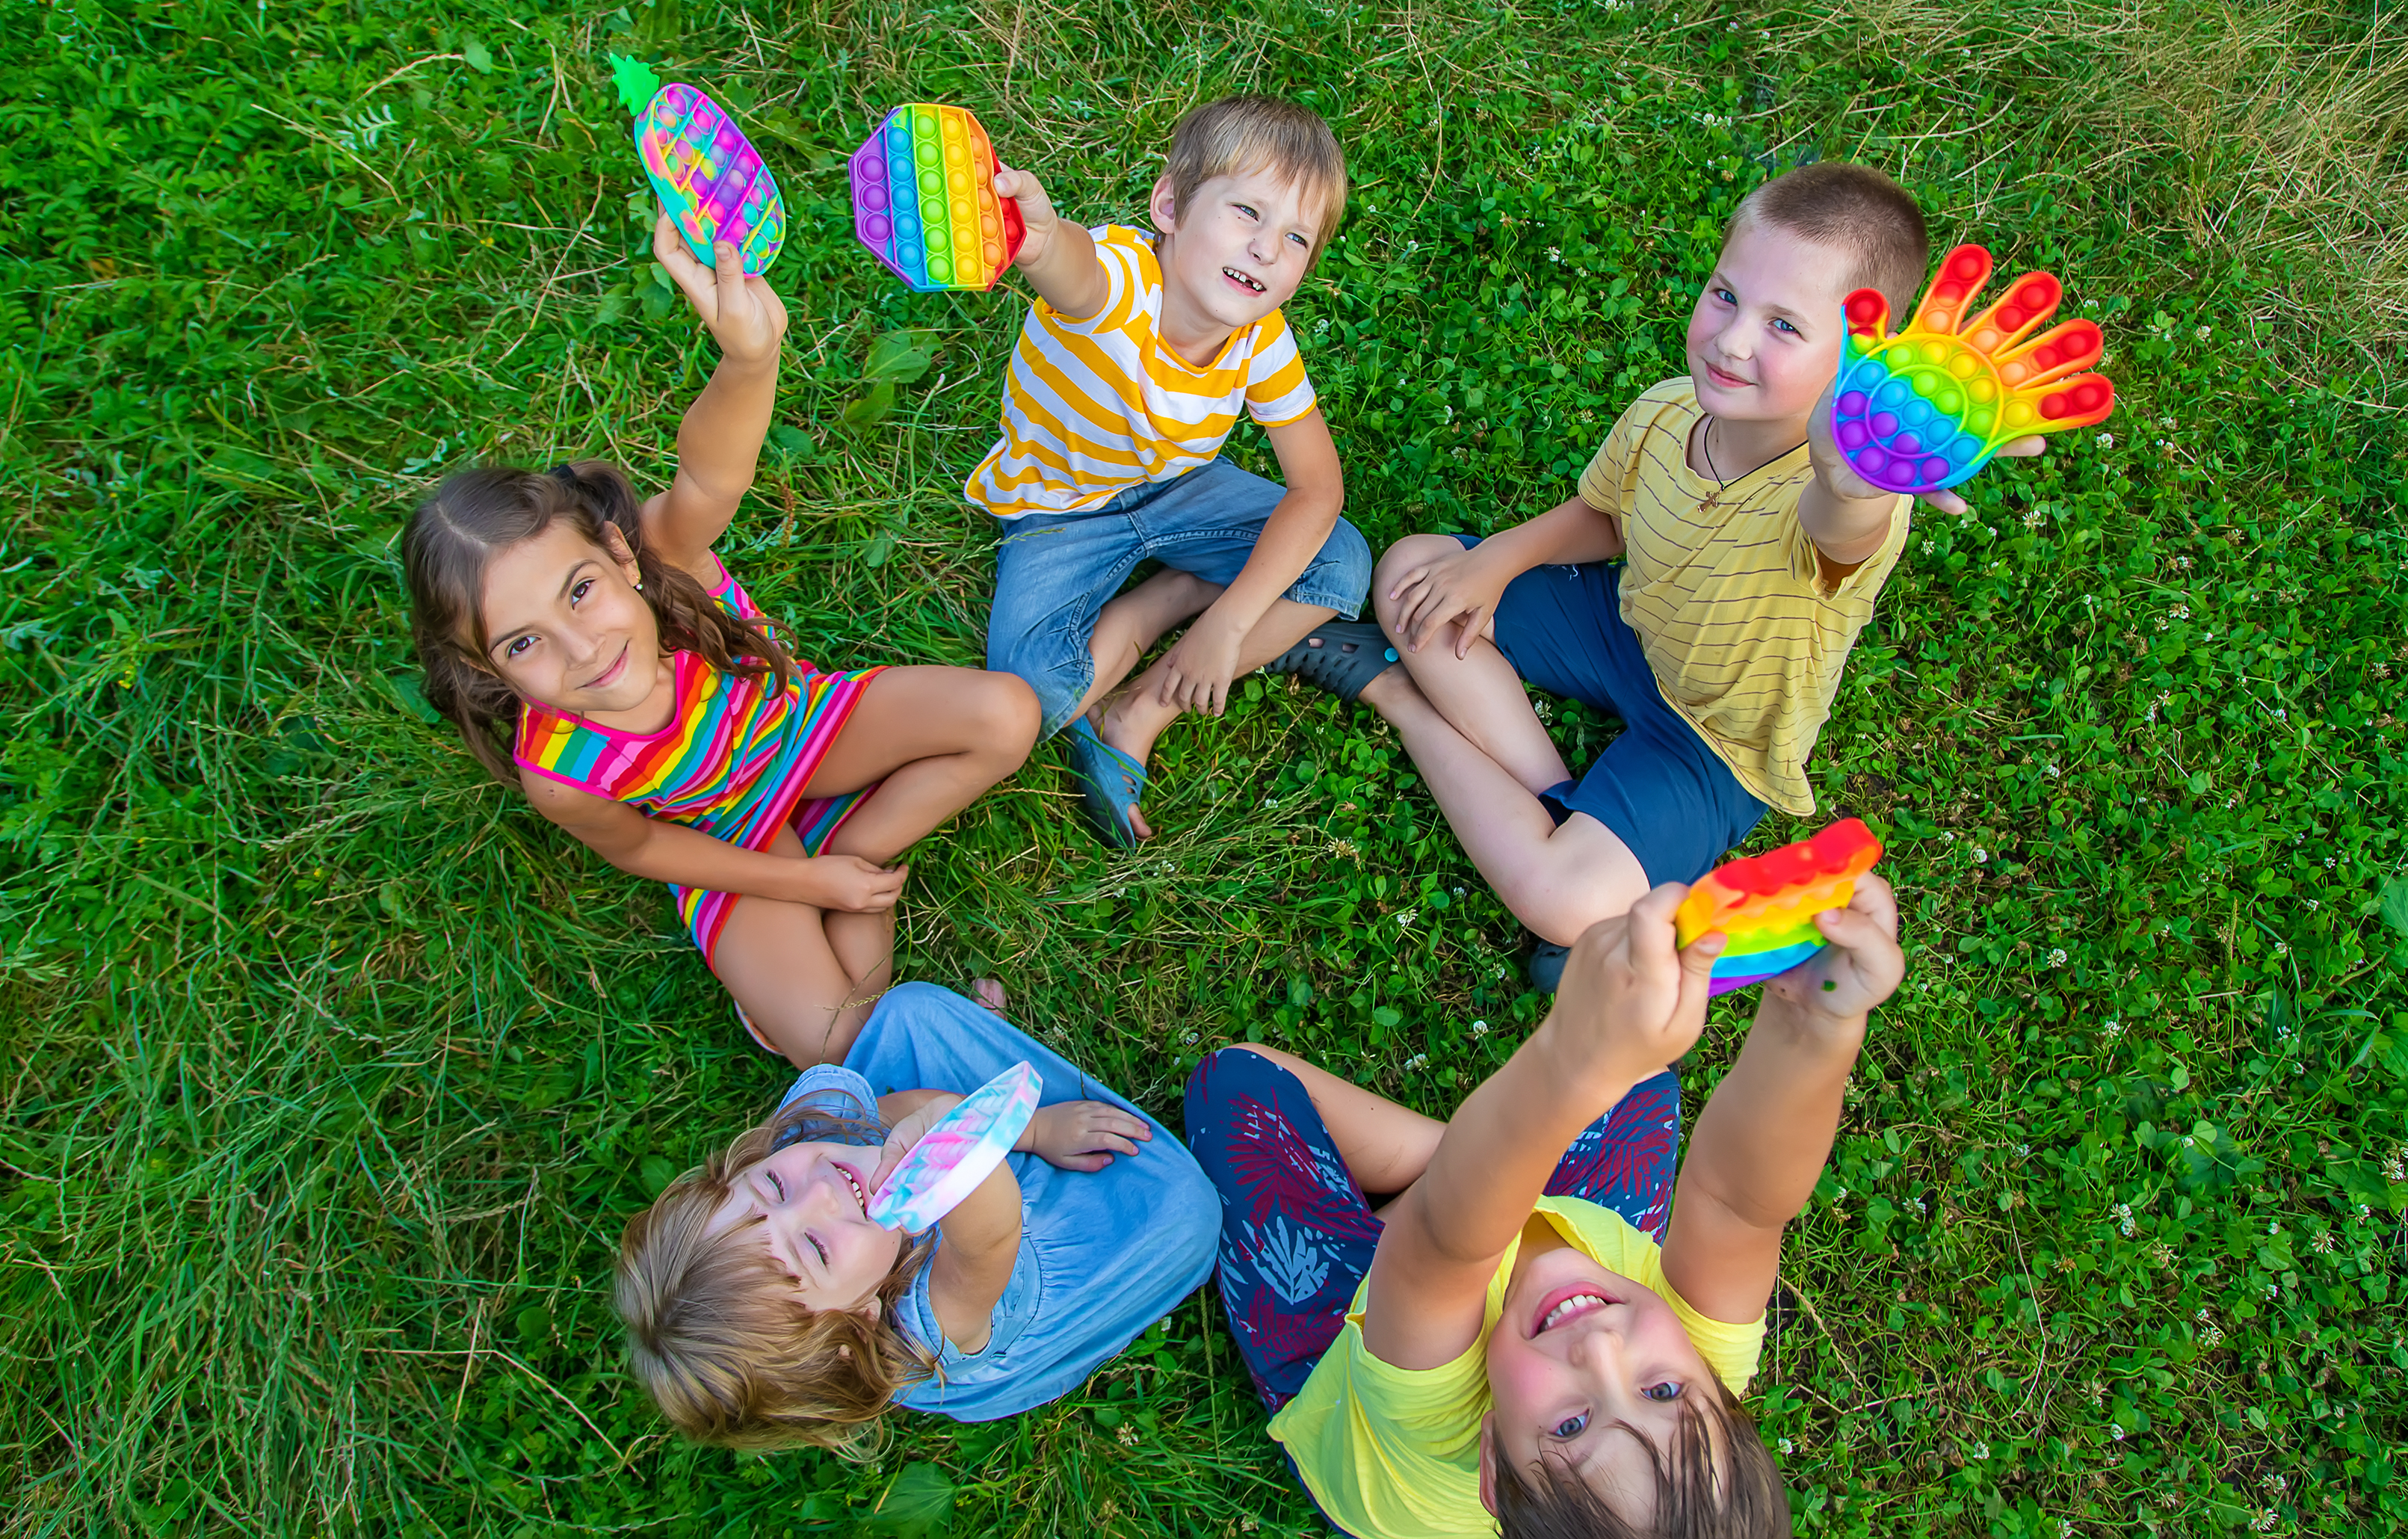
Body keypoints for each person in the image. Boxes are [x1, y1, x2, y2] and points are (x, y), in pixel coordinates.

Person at [1282, 164, 2037, 989]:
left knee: (1564, 902)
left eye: (1784, 326)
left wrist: (1849, 480)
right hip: (1624, 627)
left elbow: (1837, 533)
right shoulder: (1668, 408)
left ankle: (1394, 696)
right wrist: (1495, 559)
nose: (1733, 339)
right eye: (1725, 295)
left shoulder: (1850, 496)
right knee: (1415, 570)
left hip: (1715, 740)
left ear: (1864, 356)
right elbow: (1604, 518)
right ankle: (1556, 798)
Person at [401, 218, 1039, 1066]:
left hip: (807, 730)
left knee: (1007, 714)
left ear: (622, 554)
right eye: (524, 645)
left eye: (580, 591)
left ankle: (862, 847)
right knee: (840, 1048)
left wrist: (750, 359)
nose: (582, 649)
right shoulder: (557, 773)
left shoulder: (670, 561)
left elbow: (711, 474)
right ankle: (845, 910)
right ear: (485, 668)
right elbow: (649, 847)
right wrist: (807, 883)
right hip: (731, 841)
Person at [1185, 874, 1906, 1538]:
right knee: (1642, 1077)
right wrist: (1814, 1024)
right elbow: (1739, 1205)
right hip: (1483, 1239)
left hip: (1354, 1336)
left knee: (1238, 1085)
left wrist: (1577, 1058)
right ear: (1718, 1388)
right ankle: (1499, 1155)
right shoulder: (1694, 1365)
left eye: (1569, 1426)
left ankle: (1491, 1154)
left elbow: (1447, 1242)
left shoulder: (1438, 1426)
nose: (1600, 1349)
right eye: (1659, 1387)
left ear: (1494, 1465)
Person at [969, 94, 1371, 846]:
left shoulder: (1262, 341)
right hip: (1059, 511)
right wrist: (1042, 237)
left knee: (1342, 563)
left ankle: (1143, 707)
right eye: (1246, 212)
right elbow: (1072, 270)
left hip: (1181, 490)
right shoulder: (1120, 279)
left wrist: (1231, 619)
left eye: (1294, 238)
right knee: (1025, 694)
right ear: (1170, 206)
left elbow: (1318, 488)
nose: (1264, 249)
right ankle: (1163, 600)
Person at [616, 981, 1219, 1450]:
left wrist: (1023, 1128)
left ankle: (996, 1105)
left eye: (771, 1184)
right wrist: (990, 1137)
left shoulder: (808, 1146)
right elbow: (991, 1232)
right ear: (853, 1327)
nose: (818, 1192)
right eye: (816, 1249)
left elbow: (883, 1113)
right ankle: (999, 1114)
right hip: (1013, 1250)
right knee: (1187, 1212)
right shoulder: (923, 1330)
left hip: (950, 1165)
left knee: (910, 1012)